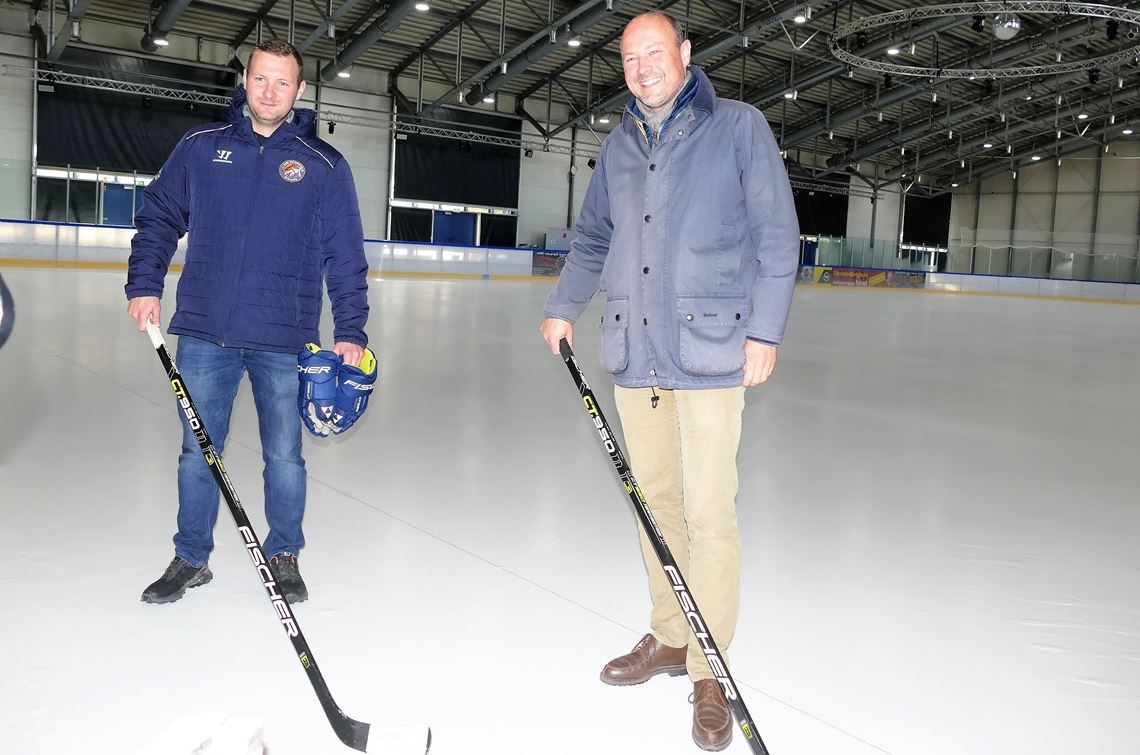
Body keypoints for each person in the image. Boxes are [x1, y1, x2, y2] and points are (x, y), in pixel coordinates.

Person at [539, 11, 799, 752]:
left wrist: (766, 329)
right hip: (636, 352)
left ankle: (708, 667)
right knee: (653, 506)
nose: (643, 67)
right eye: (630, 58)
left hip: (713, 350)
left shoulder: (740, 128)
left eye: (655, 52)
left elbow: (778, 235)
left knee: (710, 513)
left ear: (684, 54)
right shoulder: (619, 145)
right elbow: (593, 236)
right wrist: (564, 306)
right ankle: (669, 634)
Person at [126, 39, 369, 606]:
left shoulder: (324, 166)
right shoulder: (200, 147)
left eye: (282, 82)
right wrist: (144, 283)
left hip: (284, 339)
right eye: (261, 79)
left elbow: (346, 253)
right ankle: (191, 557)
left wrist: (351, 329)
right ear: (245, 80)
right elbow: (159, 215)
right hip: (205, 332)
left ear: (299, 90)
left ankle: (283, 554)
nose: (269, 91)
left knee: (284, 456)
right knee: (196, 452)